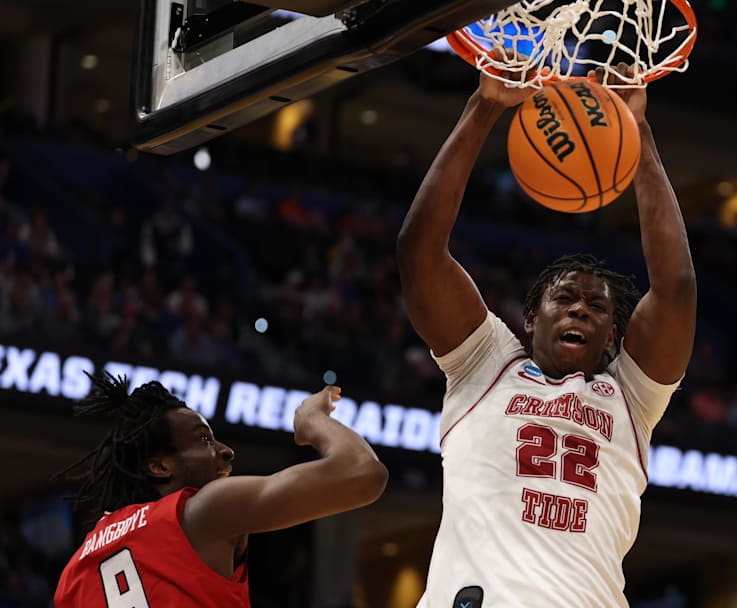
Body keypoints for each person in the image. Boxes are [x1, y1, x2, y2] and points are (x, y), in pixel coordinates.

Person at [397, 63, 697, 607]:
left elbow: (675, 289)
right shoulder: (486, 363)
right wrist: (483, 107)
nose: (580, 310)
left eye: (597, 307)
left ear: (612, 336)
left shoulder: (631, 397)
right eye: (565, 298)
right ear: (530, 318)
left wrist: (637, 136)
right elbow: (419, 253)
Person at [53, 375, 387, 607]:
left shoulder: (73, 573)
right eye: (203, 439)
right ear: (159, 467)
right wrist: (312, 419)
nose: (226, 451)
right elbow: (362, 473)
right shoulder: (201, 512)